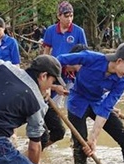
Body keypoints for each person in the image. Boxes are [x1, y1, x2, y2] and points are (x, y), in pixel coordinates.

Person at [42, 1, 88, 149]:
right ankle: (46, 133)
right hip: (55, 73)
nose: (69, 19)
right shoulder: (50, 31)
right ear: (59, 16)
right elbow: (46, 52)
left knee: (74, 106)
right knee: (48, 103)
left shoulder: (78, 31)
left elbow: (84, 54)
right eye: (66, 16)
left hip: (73, 74)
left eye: (71, 16)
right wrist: (44, 70)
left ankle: (76, 137)